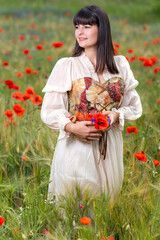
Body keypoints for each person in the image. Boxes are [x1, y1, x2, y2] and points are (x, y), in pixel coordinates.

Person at [41, 5, 142, 200]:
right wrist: (72, 127)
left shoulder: (120, 65)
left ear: (102, 29)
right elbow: (49, 110)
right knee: (76, 203)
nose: (80, 32)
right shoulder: (67, 65)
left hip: (110, 146)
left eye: (87, 26)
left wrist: (116, 114)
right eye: (77, 26)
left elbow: (134, 106)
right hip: (78, 146)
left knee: (107, 201)